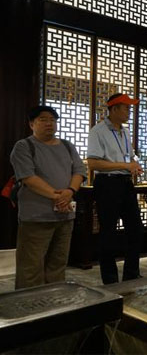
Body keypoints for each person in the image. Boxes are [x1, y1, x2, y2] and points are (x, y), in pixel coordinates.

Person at [9, 106, 86, 289]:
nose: (49, 123)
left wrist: (70, 191)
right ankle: (29, 303)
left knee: (58, 265)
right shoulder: (24, 146)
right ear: (31, 124)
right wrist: (58, 197)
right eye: (43, 119)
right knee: (30, 268)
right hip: (36, 217)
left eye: (52, 120)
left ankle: (53, 301)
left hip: (64, 216)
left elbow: (79, 171)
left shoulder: (67, 146)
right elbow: (28, 177)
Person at [87, 93, 144, 284]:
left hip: (126, 183)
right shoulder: (98, 131)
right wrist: (125, 165)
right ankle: (110, 280)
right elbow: (93, 163)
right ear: (114, 108)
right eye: (126, 108)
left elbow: (129, 156)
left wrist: (134, 164)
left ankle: (131, 275)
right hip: (107, 184)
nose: (129, 112)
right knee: (108, 232)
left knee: (136, 229)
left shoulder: (125, 132)